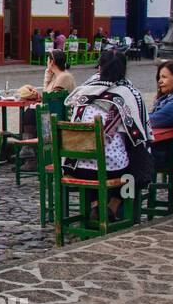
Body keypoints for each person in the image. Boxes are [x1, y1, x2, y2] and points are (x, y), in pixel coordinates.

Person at [64, 49, 150, 221]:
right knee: (143, 167)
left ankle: (95, 204)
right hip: (112, 170)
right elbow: (139, 134)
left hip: (76, 167)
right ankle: (115, 205)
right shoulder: (128, 94)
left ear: (100, 68)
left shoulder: (82, 93)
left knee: (90, 159)